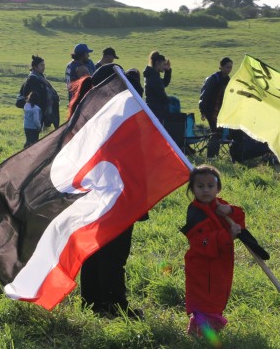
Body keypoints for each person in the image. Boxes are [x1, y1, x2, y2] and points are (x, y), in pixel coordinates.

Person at [67, 69, 143, 320]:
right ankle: (115, 306)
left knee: (97, 250)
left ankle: (93, 304)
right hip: (116, 197)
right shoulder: (116, 119)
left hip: (98, 196)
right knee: (113, 254)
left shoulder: (90, 118)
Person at [181, 165, 245, 337]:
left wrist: (230, 210)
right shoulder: (196, 213)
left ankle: (196, 330)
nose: (206, 190)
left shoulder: (219, 205)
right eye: (200, 186)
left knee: (216, 296)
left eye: (210, 186)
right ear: (192, 189)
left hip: (219, 265)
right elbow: (202, 242)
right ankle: (205, 333)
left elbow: (239, 221)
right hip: (203, 267)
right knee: (206, 299)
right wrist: (227, 236)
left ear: (218, 188)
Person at [199, 57, 233, 158]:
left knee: (218, 133)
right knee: (216, 133)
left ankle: (214, 156)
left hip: (220, 112)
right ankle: (211, 157)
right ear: (221, 67)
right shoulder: (213, 79)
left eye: (230, 68)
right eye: (227, 67)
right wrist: (202, 110)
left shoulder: (227, 80)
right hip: (211, 110)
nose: (229, 69)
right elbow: (205, 95)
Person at [21, 55, 60, 130]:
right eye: (41, 65)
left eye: (44, 65)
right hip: (38, 109)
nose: (43, 67)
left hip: (43, 108)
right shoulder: (33, 78)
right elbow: (29, 94)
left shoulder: (40, 76)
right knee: (35, 133)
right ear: (35, 67)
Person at [143, 51, 172, 122]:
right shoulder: (154, 77)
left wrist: (168, 72)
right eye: (163, 64)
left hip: (154, 108)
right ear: (157, 64)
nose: (164, 67)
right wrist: (169, 101)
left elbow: (163, 84)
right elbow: (162, 96)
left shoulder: (153, 75)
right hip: (156, 110)